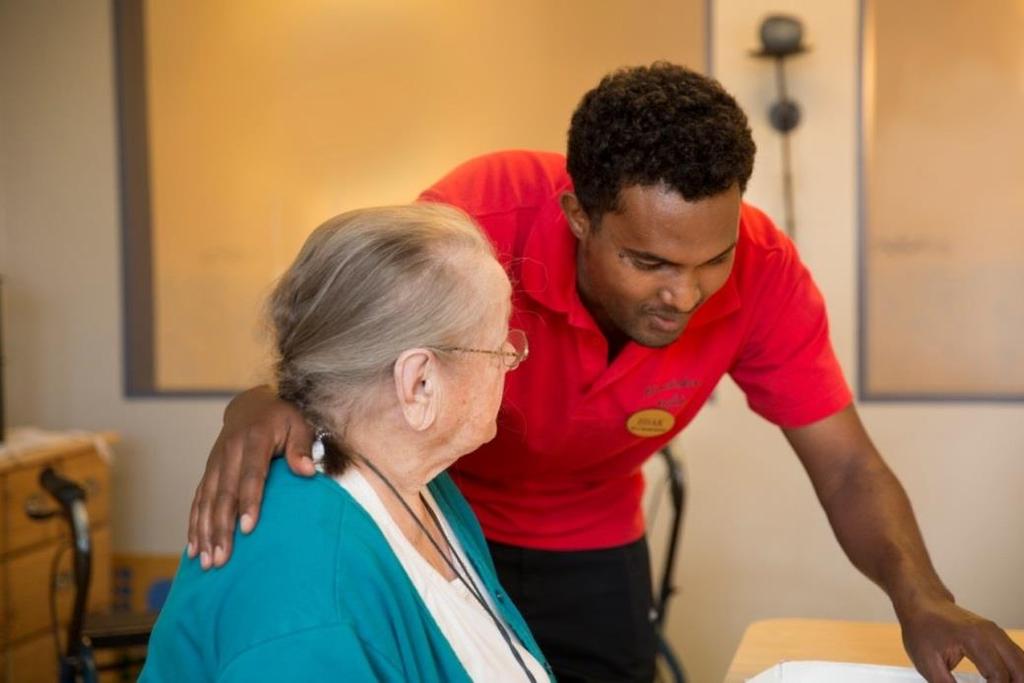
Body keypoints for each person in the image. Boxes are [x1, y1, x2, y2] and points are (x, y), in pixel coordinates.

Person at [187, 64, 1024, 682]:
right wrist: (273, 395)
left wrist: (922, 594)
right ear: (577, 214)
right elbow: (358, 324)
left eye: (712, 260)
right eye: (648, 260)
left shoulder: (764, 270)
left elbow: (846, 462)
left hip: (592, 536)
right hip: (442, 512)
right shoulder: (474, 224)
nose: (684, 293)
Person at [142, 205, 552, 682]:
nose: (509, 359)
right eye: (497, 345)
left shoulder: (421, 486)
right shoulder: (309, 588)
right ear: (418, 383)